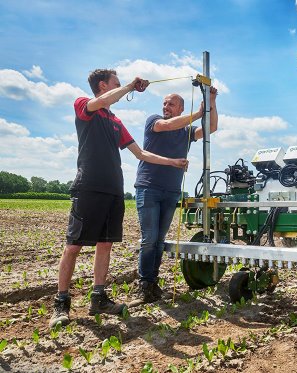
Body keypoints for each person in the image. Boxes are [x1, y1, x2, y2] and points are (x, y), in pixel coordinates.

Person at [50, 69, 188, 328]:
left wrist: (173, 162)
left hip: (114, 189)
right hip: (89, 186)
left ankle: (98, 298)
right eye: (116, 83)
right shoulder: (85, 105)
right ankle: (61, 303)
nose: (120, 86)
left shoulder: (116, 121)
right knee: (73, 246)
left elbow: (141, 153)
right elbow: (103, 101)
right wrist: (129, 87)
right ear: (104, 85)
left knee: (105, 245)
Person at [133, 87, 218, 303]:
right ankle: (144, 285)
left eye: (170, 104)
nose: (165, 107)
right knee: (149, 239)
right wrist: (199, 114)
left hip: (171, 191)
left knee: (159, 241)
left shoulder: (185, 131)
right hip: (149, 188)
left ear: (181, 107)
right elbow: (168, 125)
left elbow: (212, 128)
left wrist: (212, 100)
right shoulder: (155, 121)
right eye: (164, 103)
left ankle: (153, 285)